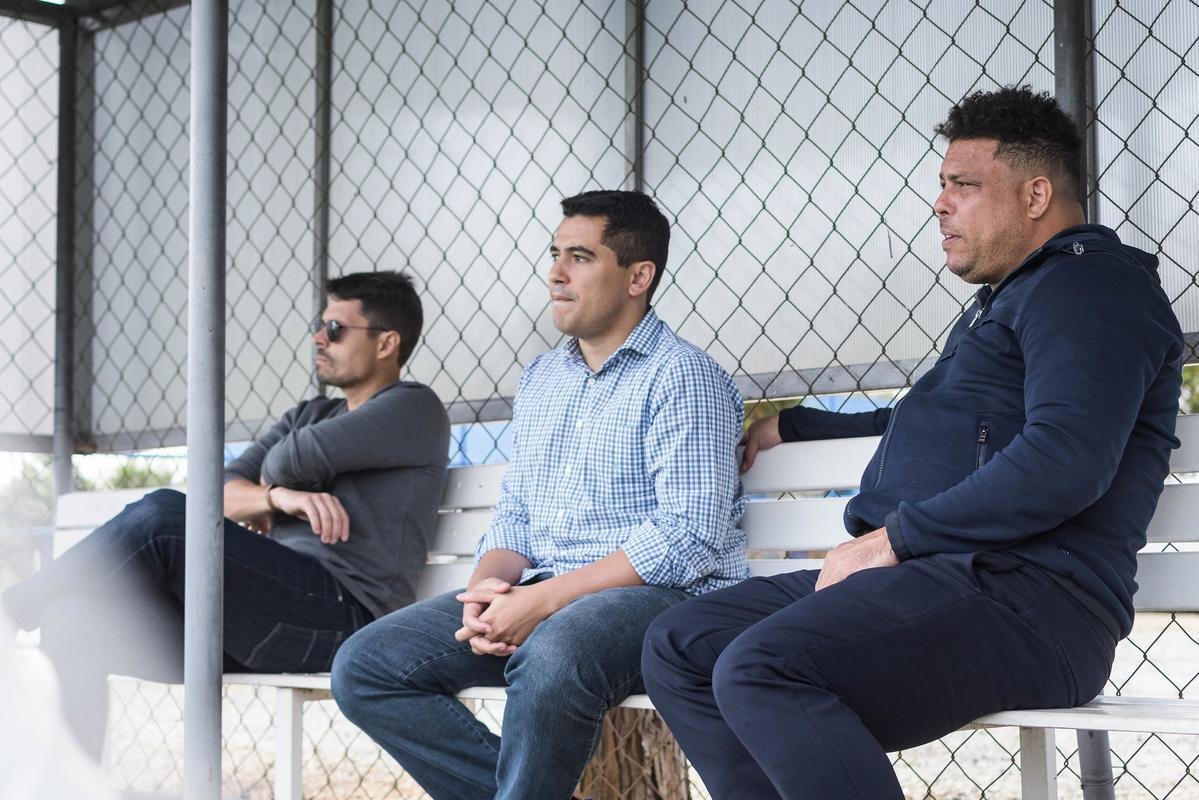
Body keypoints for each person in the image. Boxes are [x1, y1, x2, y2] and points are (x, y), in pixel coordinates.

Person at [641, 86, 1184, 799]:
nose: (939, 203)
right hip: (934, 579)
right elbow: (924, 416)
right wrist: (796, 424)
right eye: (940, 185)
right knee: (681, 645)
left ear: (1034, 195)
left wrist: (889, 539)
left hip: (1028, 601)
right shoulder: (1013, 300)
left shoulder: (1087, 288)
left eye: (961, 185)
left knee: (762, 666)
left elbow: (1064, 461)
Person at [330, 190, 747, 800]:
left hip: (665, 598)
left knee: (551, 655)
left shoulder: (685, 377)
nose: (554, 273)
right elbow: (518, 515)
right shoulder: (543, 377)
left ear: (638, 276)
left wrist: (543, 601)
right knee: (367, 666)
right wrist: (486, 592)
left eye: (579, 257)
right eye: (555, 254)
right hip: (550, 592)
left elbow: (688, 539)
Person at [2, 270, 450, 760]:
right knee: (72, 616)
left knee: (163, 515)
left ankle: (11, 610)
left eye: (336, 330)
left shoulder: (414, 408)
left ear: (387, 343)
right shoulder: (310, 414)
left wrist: (274, 480)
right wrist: (278, 500)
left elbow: (280, 462)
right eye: (320, 326)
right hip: (260, 616)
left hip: (341, 616)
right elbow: (216, 491)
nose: (319, 339)